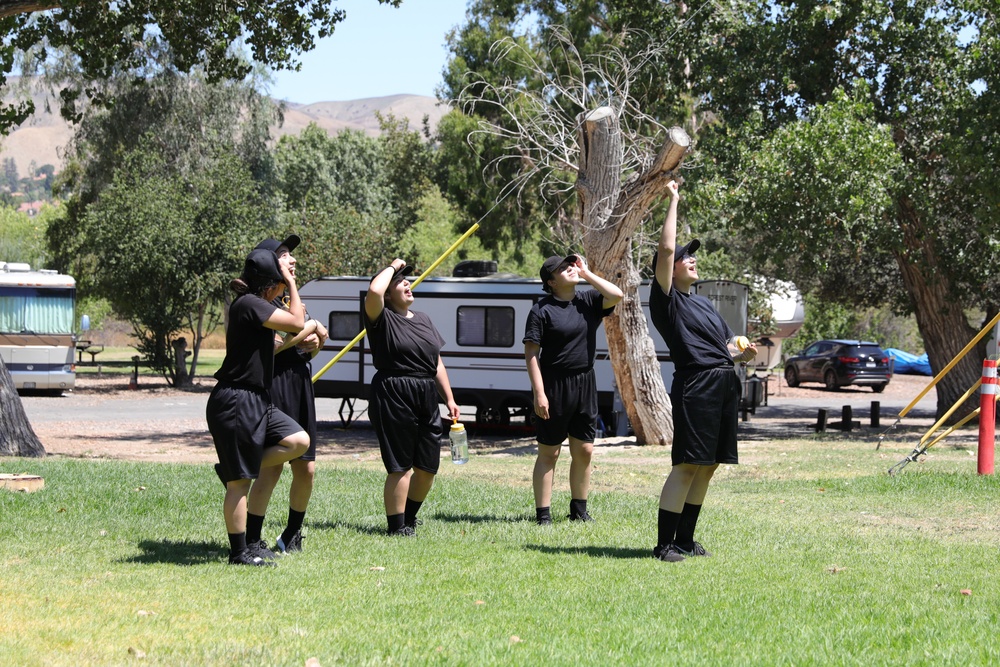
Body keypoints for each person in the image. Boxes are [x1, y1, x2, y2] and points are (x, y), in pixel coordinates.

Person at [649, 180, 757, 562]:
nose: (692, 260)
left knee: (709, 466)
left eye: (693, 256)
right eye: (685, 257)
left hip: (723, 383)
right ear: (669, 269)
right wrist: (674, 199)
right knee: (687, 464)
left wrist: (742, 355)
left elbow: (729, 348)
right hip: (695, 385)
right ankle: (663, 545)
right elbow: (664, 248)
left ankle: (684, 540)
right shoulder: (667, 302)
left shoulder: (705, 304)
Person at [206, 247, 310, 566]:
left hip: (256, 399)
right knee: (240, 483)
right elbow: (296, 321)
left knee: (297, 441)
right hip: (237, 399)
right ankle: (240, 552)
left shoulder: (256, 306)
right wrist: (292, 282)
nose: (283, 288)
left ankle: (235, 466)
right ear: (271, 284)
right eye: (279, 282)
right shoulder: (249, 304)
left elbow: (288, 335)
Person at [523, 253, 623, 525]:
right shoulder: (541, 310)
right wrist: (539, 394)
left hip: (585, 383)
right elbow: (531, 353)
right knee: (550, 452)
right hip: (554, 385)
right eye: (562, 268)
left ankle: (579, 510)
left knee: (585, 450)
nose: (569, 268)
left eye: (570, 264)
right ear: (551, 282)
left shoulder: (588, 301)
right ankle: (543, 515)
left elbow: (617, 295)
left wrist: (587, 273)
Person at [364, 258, 461, 536]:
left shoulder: (424, 319)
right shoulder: (381, 318)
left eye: (407, 280)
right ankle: (397, 527)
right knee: (401, 466)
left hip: (426, 392)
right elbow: (373, 292)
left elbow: (437, 363)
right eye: (400, 282)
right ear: (388, 292)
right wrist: (392, 267)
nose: (407, 283)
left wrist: (449, 398)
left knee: (428, 468)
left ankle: (408, 517)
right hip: (393, 390)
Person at [244, 235, 328, 555]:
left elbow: (309, 345)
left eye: (292, 255)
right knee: (273, 466)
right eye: (284, 255)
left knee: (306, 468)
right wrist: (306, 331)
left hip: (300, 383)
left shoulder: (290, 302)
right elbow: (274, 349)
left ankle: (291, 534)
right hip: (273, 384)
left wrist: (315, 341)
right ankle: (253, 537)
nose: (292, 260)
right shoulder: (260, 302)